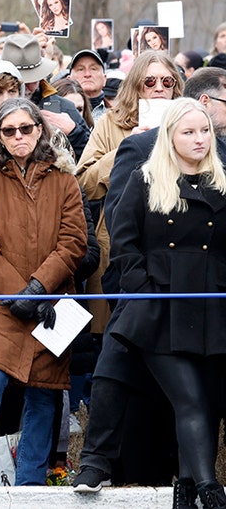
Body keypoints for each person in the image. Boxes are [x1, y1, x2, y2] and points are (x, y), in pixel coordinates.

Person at [0, 98, 86, 488]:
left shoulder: (64, 179)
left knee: (45, 389)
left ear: (39, 130)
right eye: (8, 131)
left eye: (25, 128)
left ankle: (30, 480)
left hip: (51, 301)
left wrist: (40, 288)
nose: (18, 137)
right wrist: (18, 293)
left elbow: (74, 241)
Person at [104, 98, 226, 506]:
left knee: (206, 403)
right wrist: (144, 291)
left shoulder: (223, 182)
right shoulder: (145, 180)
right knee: (189, 399)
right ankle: (211, 491)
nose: (199, 139)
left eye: (204, 130)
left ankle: (186, 490)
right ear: (170, 137)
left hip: (213, 309)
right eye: (188, 132)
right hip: (160, 310)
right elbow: (122, 242)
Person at [76, 51, 182, 332]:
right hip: (122, 244)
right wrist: (127, 149)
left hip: (174, 245)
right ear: (136, 85)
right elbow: (84, 184)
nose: (159, 88)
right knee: (117, 336)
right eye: (150, 82)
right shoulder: (110, 123)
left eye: (167, 81)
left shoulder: (189, 124)